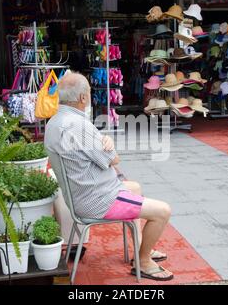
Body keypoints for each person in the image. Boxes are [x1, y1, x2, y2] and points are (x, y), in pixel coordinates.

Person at [45, 72, 173, 281]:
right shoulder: (78, 125)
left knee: (135, 188)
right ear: (83, 98)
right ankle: (144, 262)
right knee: (163, 211)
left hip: (84, 194)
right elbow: (113, 159)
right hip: (99, 199)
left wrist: (102, 139)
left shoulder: (55, 121)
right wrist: (108, 142)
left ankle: (142, 250)